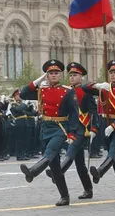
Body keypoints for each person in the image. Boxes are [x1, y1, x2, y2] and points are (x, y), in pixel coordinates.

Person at [19, 59, 79, 206]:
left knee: (51, 151)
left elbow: (74, 113)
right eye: (50, 73)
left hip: (60, 127)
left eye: (56, 73)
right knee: (55, 166)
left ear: (60, 75)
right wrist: (39, 80)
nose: (53, 75)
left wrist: (72, 133)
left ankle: (33, 171)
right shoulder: (42, 90)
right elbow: (23, 94)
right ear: (47, 75)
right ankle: (65, 196)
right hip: (46, 127)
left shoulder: (68, 91)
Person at [84, 60, 115, 201]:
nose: (113, 75)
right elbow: (84, 88)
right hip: (105, 126)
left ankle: (99, 172)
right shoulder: (104, 88)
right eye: (111, 72)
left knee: (112, 153)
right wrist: (97, 85)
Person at [46, 62, 98, 200]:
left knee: (71, 151)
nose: (72, 78)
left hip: (83, 129)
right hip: (71, 128)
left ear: (81, 77)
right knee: (79, 163)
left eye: (75, 75)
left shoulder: (86, 92)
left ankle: (58, 171)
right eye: (71, 75)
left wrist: (94, 128)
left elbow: (93, 112)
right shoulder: (66, 91)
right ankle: (88, 189)